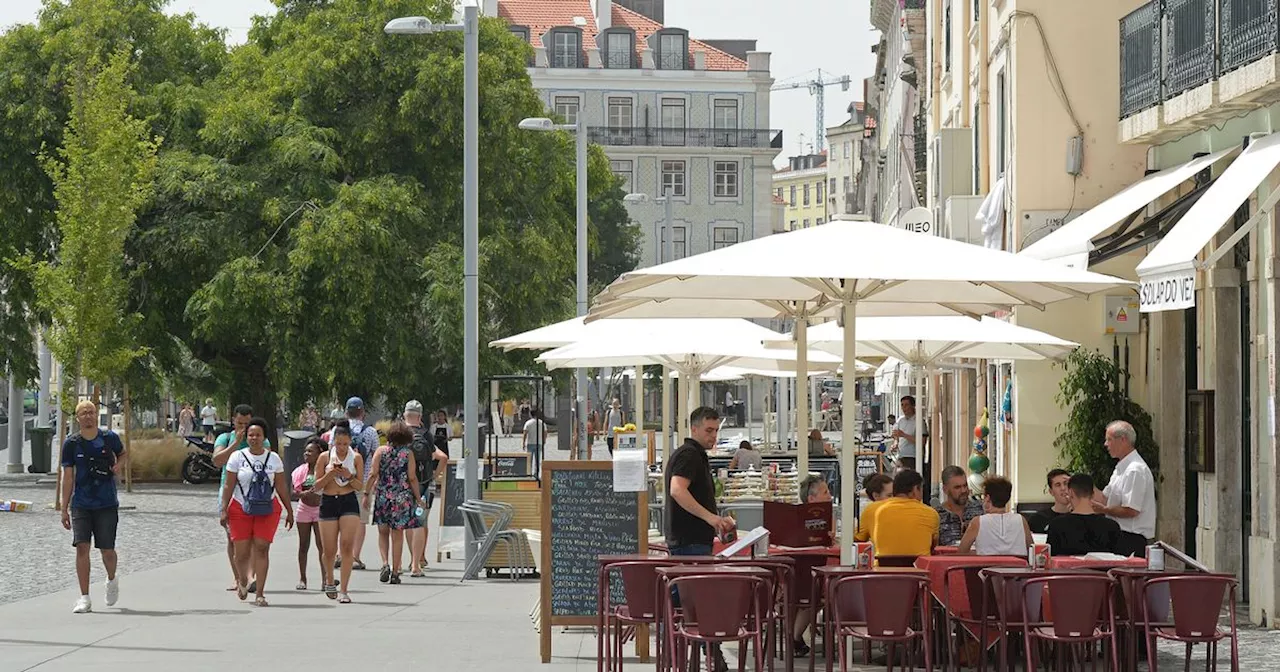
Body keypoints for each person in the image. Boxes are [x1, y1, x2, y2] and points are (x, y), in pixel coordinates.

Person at [666, 406, 734, 672]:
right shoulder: (689, 454)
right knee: (697, 604)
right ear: (693, 428)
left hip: (691, 540)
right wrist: (711, 519)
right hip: (689, 542)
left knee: (692, 603)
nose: (713, 436)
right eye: (709, 430)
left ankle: (693, 656)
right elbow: (676, 490)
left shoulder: (695, 455)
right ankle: (700, 656)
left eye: (716, 430)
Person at [60, 400, 127, 614]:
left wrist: (119, 465)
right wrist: (63, 507)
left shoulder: (109, 438)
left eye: (91, 412)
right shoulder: (72, 443)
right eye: (83, 413)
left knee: (107, 550)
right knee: (82, 547)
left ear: (97, 415)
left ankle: (111, 579)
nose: (88, 416)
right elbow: (68, 476)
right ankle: (84, 597)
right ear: (77, 418)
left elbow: (123, 453)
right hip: (81, 503)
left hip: (106, 501)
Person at [219, 417, 294, 606]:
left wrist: (289, 509)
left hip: (267, 508)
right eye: (251, 435)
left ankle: (260, 592)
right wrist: (223, 509)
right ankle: (242, 580)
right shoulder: (237, 457)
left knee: (262, 548)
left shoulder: (274, 458)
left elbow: (281, 486)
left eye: (258, 435)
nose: (254, 438)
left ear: (264, 438)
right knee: (241, 552)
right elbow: (229, 484)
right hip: (240, 507)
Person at [213, 404, 271, 592]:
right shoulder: (225, 437)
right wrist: (235, 444)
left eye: (247, 424)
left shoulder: (261, 440)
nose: (244, 428)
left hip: (255, 493)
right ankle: (238, 577)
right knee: (233, 537)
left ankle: (252, 576)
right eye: (240, 423)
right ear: (233, 420)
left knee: (254, 537)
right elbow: (217, 460)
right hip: (230, 490)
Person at [365, 421, 424, 585]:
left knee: (382, 532)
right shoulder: (407, 453)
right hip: (402, 498)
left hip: (383, 496)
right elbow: (412, 477)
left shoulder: (381, 451)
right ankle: (396, 571)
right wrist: (418, 498)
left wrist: (366, 493)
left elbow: (373, 473)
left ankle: (385, 563)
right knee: (397, 534)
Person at [312, 424, 366, 603]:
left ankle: (344, 589)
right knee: (329, 549)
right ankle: (329, 579)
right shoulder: (324, 457)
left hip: (348, 500)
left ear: (350, 441)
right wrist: (330, 474)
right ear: (333, 442)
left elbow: (360, 486)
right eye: (339, 443)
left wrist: (348, 475)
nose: (342, 447)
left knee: (346, 545)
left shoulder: (356, 458)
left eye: (345, 444)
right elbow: (316, 486)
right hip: (328, 501)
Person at [1092, 420, 1156, 556]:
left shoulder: (1135, 470)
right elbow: (1104, 498)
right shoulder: (1120, 468)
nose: (1105, 444)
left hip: (1131, 538)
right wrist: (1082, 486)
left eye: (1109, 440)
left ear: (1123, 440)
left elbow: (1131, 510)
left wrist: (1104, 510)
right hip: (1118, 535)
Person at [333, 396, 378, 571]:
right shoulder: (370, 432)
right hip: (363, 481)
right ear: (363, 413)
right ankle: (354, 556)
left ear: (346, 412)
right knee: (360, 520)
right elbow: (375, 458)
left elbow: (331, 453)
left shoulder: (338, 430)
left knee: (340, 518)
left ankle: (339, 553)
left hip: (339, 482)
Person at [791, 475, 834, 657]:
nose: (830, 496)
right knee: (811, 600)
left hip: (794, 569)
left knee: (805, 600)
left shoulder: (824, 517)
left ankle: (794, 638)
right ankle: (795, 638)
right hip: (808, 567)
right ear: (812, 499)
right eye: (826, 492)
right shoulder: (817, 518)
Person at [405, 400, 447, 575]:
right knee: (421, 521)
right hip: (424, 484)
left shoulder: (400, 434)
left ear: (404, 415)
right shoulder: (426, 435)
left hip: (405, 483)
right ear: (420, 417)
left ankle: (410, 559)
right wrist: (434, 476)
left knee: (408, 522)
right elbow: (442, 457)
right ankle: (417, 563)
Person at [867, 469, 939, 559]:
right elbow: (932, 545)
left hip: (884, 569)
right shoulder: (931, 513)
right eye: (921, 489)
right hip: (919, 569)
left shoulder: (878, 510)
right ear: (915, 489)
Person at [1048, 474, 1122, 556]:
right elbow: (1119, 560)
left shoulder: (1058, 525)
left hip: (1068, 569)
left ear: (1071, 492)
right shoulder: (1111, 526)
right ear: (1093, 494)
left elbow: (1050, 559)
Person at [958, 476, 1032, 556]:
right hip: (1019, 567)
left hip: (985, 567)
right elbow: (1031, 550)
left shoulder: (977, 522)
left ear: (987, 498)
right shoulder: (1021, 520)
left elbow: (961, 552)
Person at [291, 438, 326, 591]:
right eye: (306, 451)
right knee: (303, 545)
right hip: (304, 509)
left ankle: (326, 579)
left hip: (320, 509)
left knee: (322, 546)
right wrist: (301, 494)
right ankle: (302, 578)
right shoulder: (300, 471)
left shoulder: (325, 470)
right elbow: (292, 492)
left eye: (311, 451)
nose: (307, 454)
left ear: (320, 454)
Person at [934, 465, 984, 546]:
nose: (963, 490)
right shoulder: (936, 515)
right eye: (957, 487)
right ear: (945, 490)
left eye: (965, 485)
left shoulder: (982, 509)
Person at [1026, 469, 1073, 534]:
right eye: (1058, 485)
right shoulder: (1038, 518)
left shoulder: (1081, 516)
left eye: (1066, 484)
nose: (1063, 488)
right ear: (1051, 492)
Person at [891, 395, 922, 471]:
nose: (904, 407)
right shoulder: (900, 420)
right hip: (901, 455)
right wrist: (895, 443)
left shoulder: (918, 421)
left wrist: (904, 435)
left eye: (906, 405)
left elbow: (922, 441)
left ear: (913, 406)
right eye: (902, 405)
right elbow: (896, 436)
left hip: (912, 457)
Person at [523, 409, 547, 477]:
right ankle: (536, 473)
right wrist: (544, 440)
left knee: (529, 460)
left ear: (531, 414)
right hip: (539, 443)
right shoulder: (542, 423)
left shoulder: (528, 423)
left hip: (530, 443)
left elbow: (525, 433)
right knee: (537, 460)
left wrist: (523, 442)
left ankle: (529, 473)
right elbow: (545, 432)